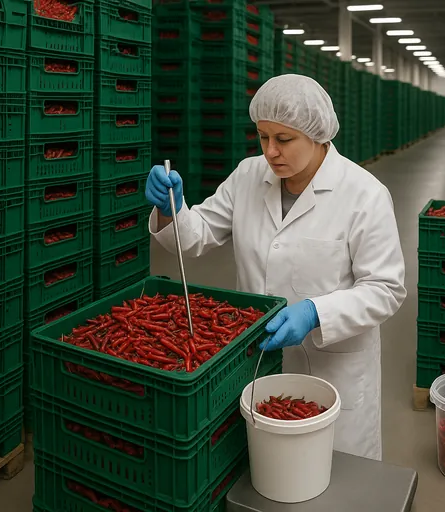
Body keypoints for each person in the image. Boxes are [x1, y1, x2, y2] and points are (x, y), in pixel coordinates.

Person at [145, 74, 406, 461]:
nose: (270, 151)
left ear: (317, 135)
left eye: (284, 139)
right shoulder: (249, 176)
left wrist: (317, 312)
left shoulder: (364, 195)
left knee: (334, 480)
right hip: (256, 361)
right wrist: (172, 211)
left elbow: (386, 288)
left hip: (331, 369)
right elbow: (197, 235)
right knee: (264, 471)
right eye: (263, 137)